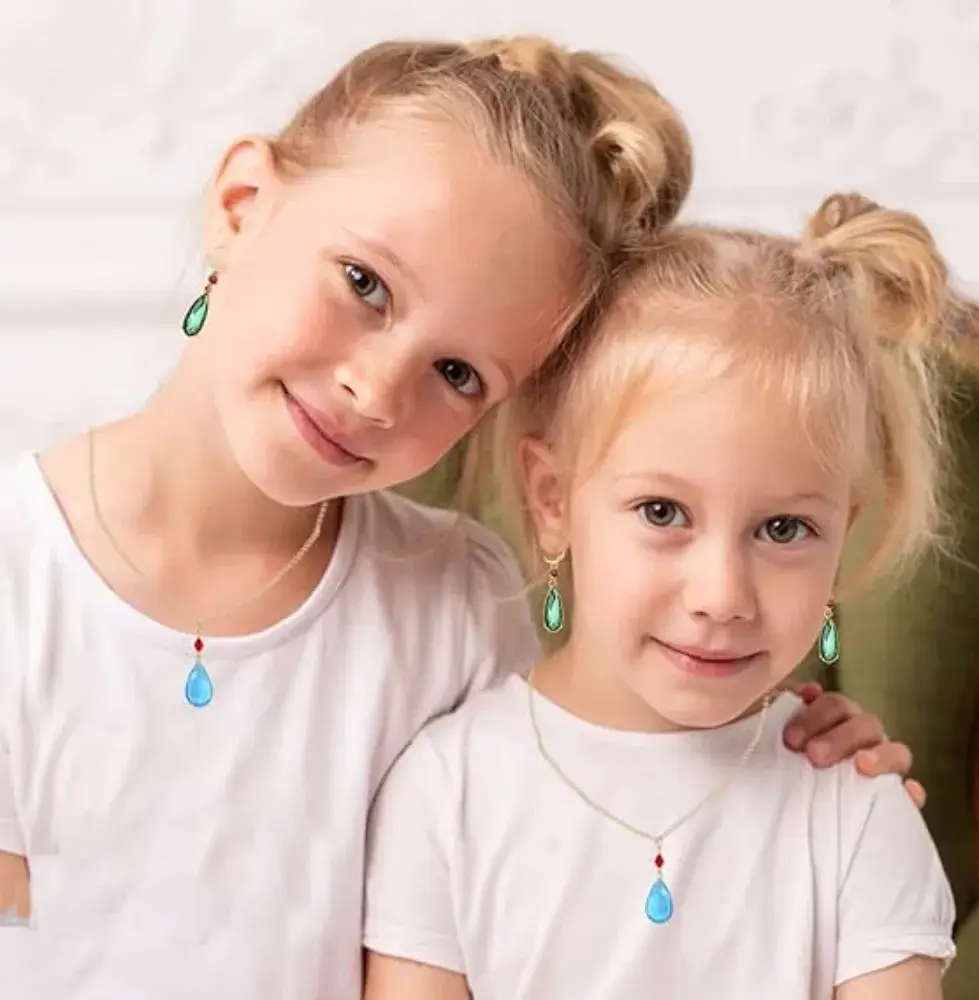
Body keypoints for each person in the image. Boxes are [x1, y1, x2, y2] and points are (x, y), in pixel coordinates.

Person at [0, 37, 919, 1000]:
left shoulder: (456, 601)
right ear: (244, 206)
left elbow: (581, 847)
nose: (377, 390)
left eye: (458, 374)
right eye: (364, 284)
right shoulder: (22, 582)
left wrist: (796, 763)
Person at [362, 193, 958, 999]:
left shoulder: (854, 813)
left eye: (783, 529)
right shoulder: (446, 793)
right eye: (663, 513)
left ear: (841, 535)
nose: (722, 596)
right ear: (552, 499)